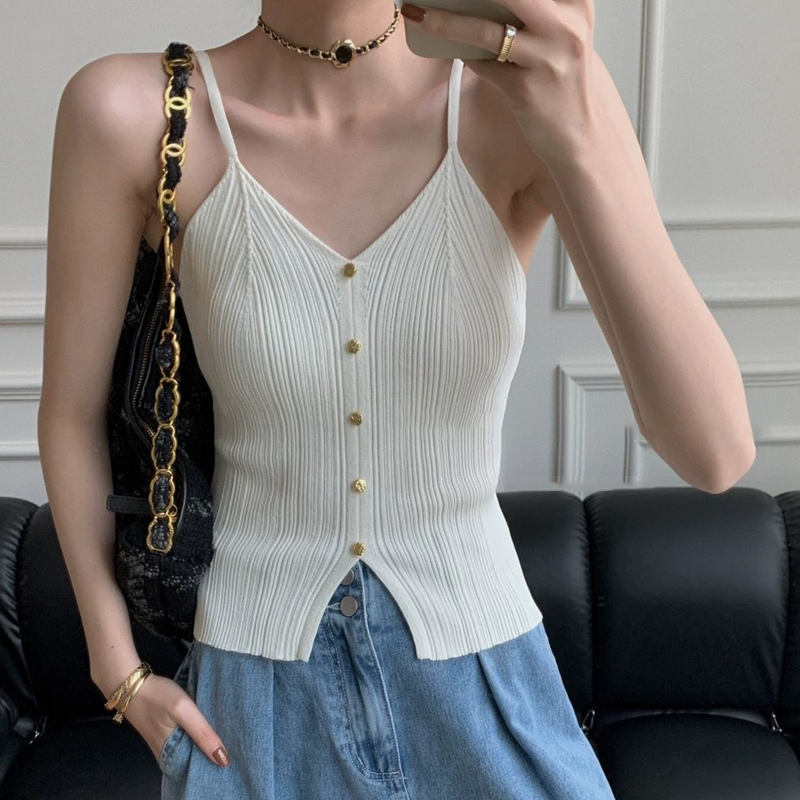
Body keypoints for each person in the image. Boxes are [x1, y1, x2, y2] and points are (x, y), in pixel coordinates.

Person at [40, 0, 755, 798]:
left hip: (489, 687)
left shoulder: (517, 102)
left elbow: (715, 451)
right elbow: (72, 415)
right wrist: (118, 670)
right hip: (253, 707)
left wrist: (579, 123)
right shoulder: (134, 115)